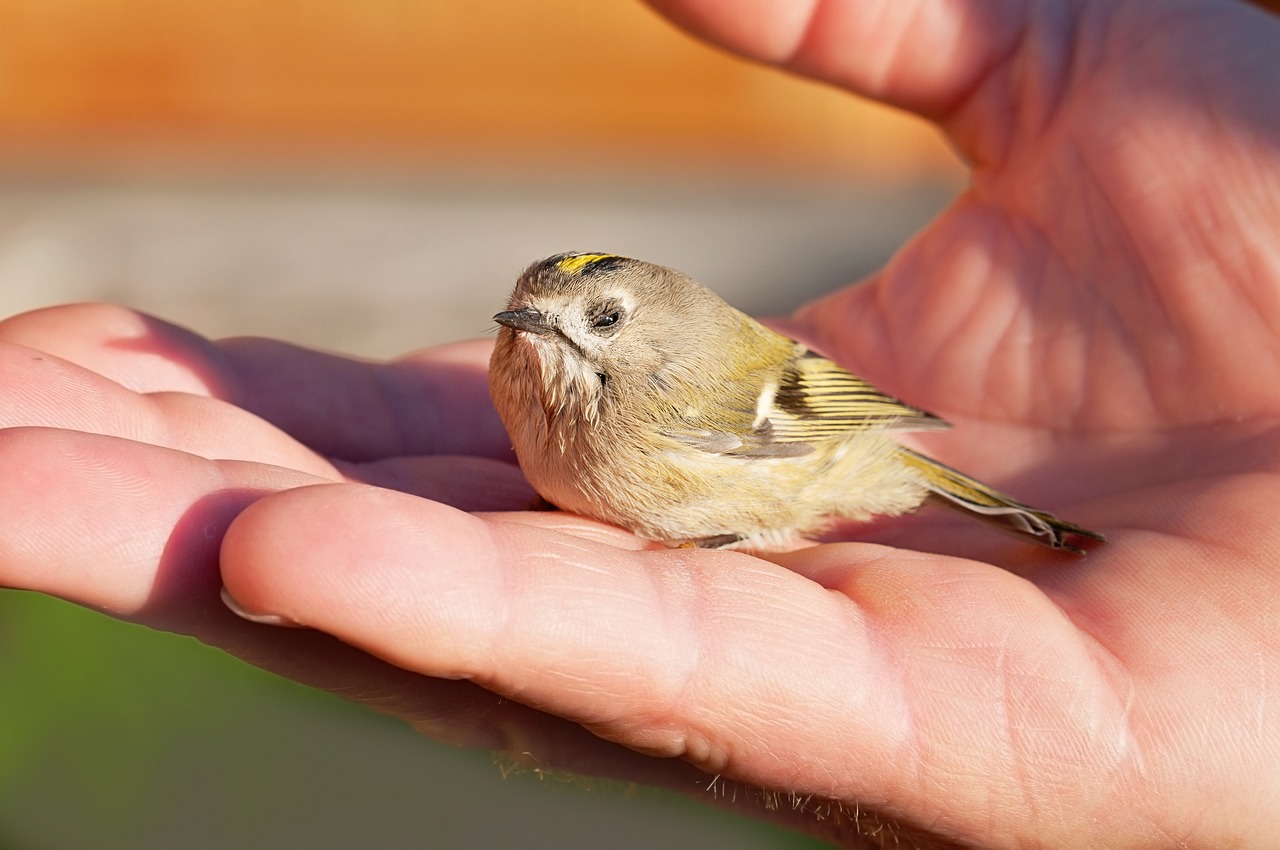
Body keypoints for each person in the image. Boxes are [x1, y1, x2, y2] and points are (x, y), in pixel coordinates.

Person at [2, 0, 1278, 846]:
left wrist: (746, 522)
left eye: (590, 322)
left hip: (817, 437)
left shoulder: (674, 393)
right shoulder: (530, 371)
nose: (538, 334)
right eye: (532, 312)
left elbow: (819, 409)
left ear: (643, 333)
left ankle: (1011, 521)